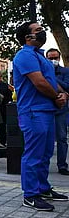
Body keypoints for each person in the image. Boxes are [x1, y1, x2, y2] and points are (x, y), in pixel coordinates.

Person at [13, 21, 69, 212]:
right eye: (38, 31)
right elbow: (39, 82)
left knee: (45, 154)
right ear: (28, 37)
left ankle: (43, 189)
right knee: (33, 154)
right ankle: (30, 195)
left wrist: (63, 93)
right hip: (33, 112)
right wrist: (56, 97)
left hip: (46, 110)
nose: (42, 32)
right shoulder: (24, 56)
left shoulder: (40, 57)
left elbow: (51, 80)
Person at [46, 48, 69, 176]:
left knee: (61, 138)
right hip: (47, 108)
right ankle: (44, 164)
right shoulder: (43, 72)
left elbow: (67, 86)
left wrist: (52, 78)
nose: (53, 60)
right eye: (50, 58)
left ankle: (62, 165)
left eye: (55, 58)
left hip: (61, 110)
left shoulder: (65, 71)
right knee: (45, 138)